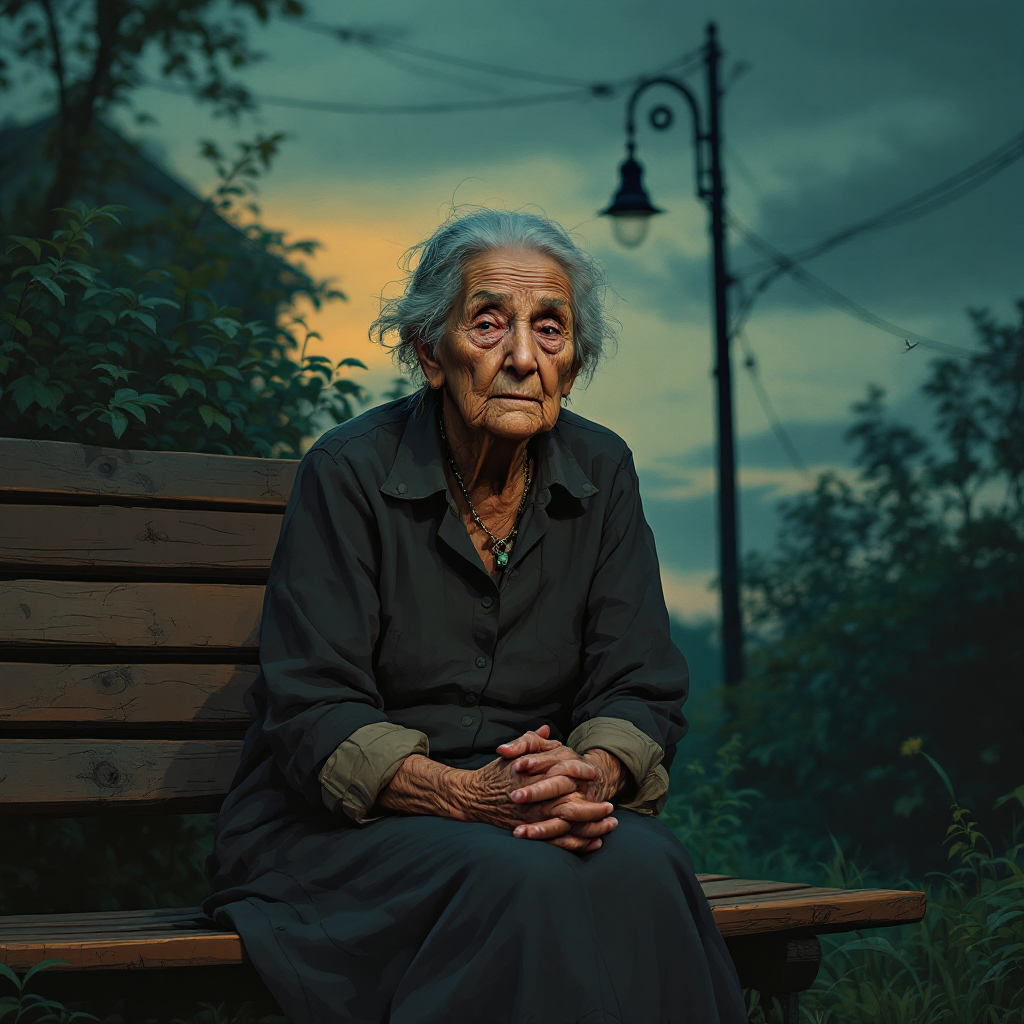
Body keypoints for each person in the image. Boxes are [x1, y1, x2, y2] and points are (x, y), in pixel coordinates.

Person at [205, 209, 746, 1024]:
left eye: (550, 330)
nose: (522, 357)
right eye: (489, 324)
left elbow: (639, 682)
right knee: (523, 879)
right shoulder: (349, 474)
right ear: (430, 351)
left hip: (521, 817)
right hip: (338, 834)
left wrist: (586, 774)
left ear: (573, 363)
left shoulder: (603, 470)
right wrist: (469, 795)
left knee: (646, 862)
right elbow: (312, 707)